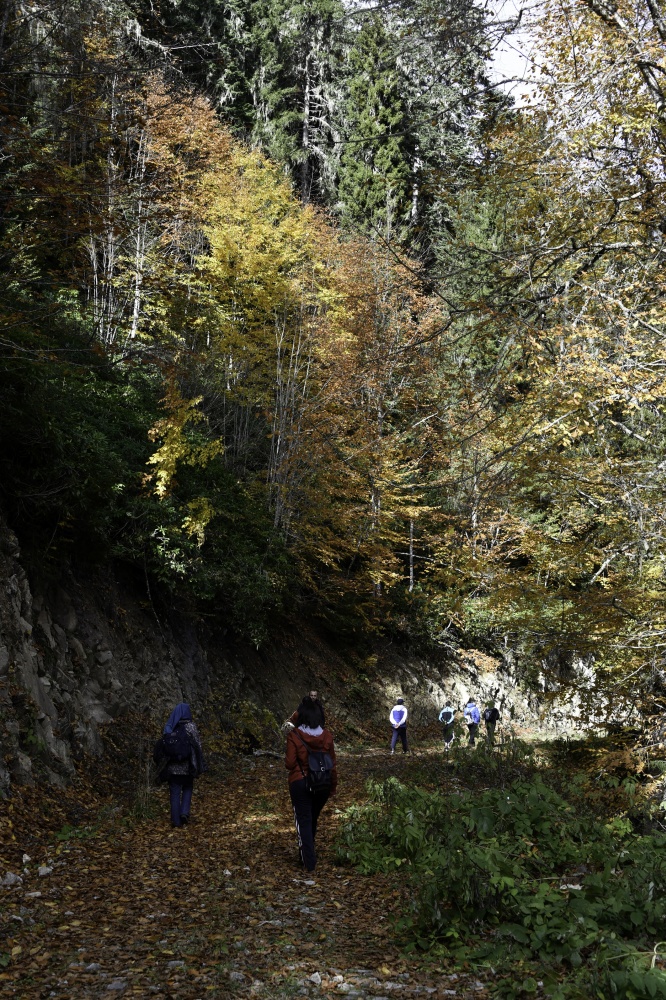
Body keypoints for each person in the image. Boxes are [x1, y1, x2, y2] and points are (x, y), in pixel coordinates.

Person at [285, 696, 337, 872]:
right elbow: (332, 764)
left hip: (300, 782)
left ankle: (309, 862)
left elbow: (289, 764)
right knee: (312, 818)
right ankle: (309, 853)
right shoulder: (327, 736)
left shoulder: (294, 736)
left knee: (304, 820)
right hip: (323, 784)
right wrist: (333, 787)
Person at [154, 702, 206, 828]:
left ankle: (175, 821)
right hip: (188, 766)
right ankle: (184, 813)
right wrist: (199, 764)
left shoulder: (170, 726)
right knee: (188, 788)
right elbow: (198, 746)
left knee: (175, 792)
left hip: (172, 768)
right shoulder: (191, 726)